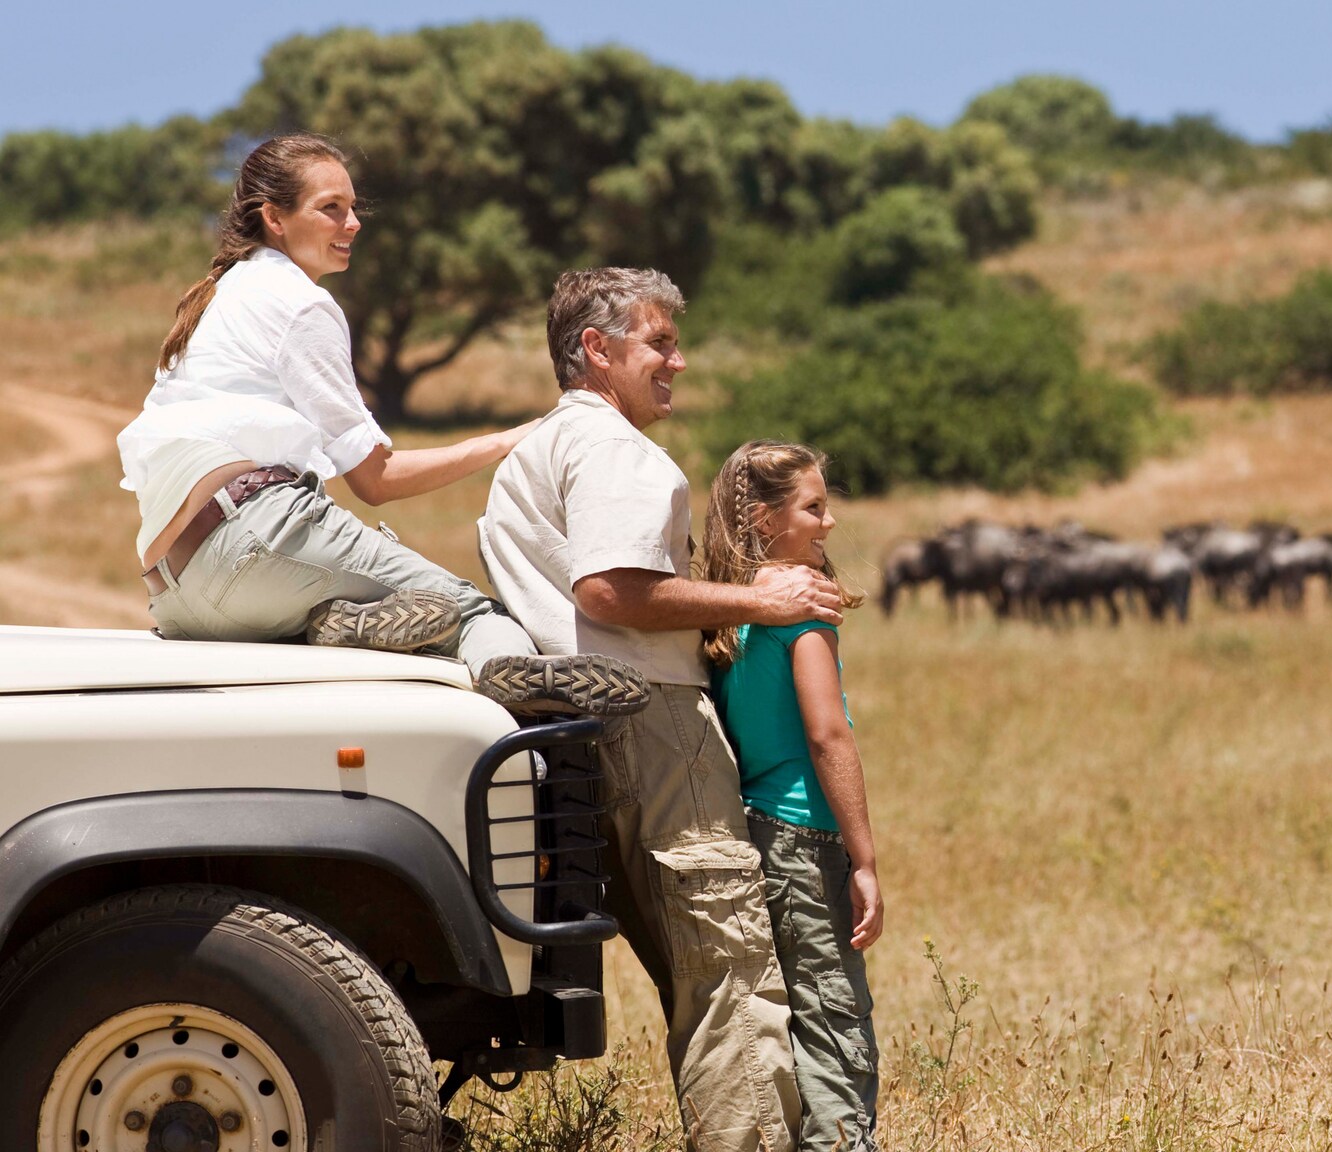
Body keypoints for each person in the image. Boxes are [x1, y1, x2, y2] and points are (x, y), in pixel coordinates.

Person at [477, 266, 845, 1152]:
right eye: (660, 343)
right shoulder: (618, 452)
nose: (678, 361)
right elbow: (611, 590)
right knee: (728, 965)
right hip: (657, 722)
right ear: (596, 350)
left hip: (570, 727)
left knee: (694, 963)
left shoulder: (532, 454)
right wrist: (763, 601)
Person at [116, 133, 645, 716]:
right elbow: (377, 480)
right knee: (472, 614)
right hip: (254, 538)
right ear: (275, 218)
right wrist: (506, 439)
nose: (353, 223)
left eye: (353, 207)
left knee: (380, 618)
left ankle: (333, 623)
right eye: (330, 208)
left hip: (175, 593)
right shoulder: (300, 303)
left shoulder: (215, 298)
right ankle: (518, 680)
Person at [703, 441, 882, 1152]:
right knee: (833, 1019)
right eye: (813, 507)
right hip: (806, 836)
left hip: (752, 828)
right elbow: (827, 735)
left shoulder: (732, 609)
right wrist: (864, 860)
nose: (828, 523)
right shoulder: (802, 611)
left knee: (780, 1014)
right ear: (764, 518)